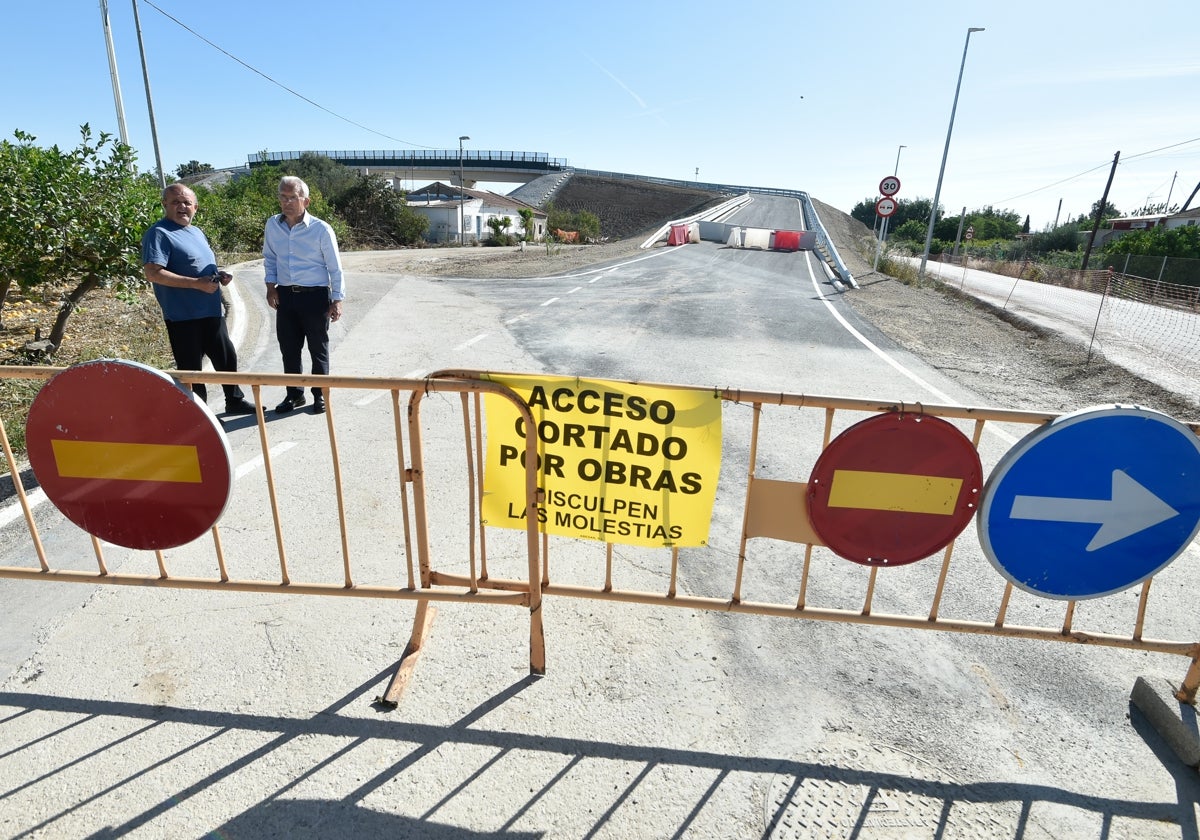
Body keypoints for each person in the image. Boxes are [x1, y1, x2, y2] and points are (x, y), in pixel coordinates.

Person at [142, 184, 255, 415]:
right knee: (192, 370)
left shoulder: (196, 231)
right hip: (183, 315)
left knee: (226, 358)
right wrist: (196, 284)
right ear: (165, 205)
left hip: (211, 310)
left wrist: (217, 275)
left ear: (195, 207)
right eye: (175, 202)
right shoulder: (159, 233)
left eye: (186, 203)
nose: (182, 207)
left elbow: (195, 264)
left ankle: (234, 400)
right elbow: (153, 272)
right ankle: (200, 415)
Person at [262, 176, 345, 415]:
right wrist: (270, 287)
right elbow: (270, 258)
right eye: (283, 197)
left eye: (293, 197)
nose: (287, 202)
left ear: (305, 201)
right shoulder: (273, 225)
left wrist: (337, 299)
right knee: (289, 348)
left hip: (315, 297)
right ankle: (294, 394)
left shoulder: (321, 229)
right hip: (286, 296)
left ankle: (320, 395)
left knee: (318, 348)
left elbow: (335, 268)